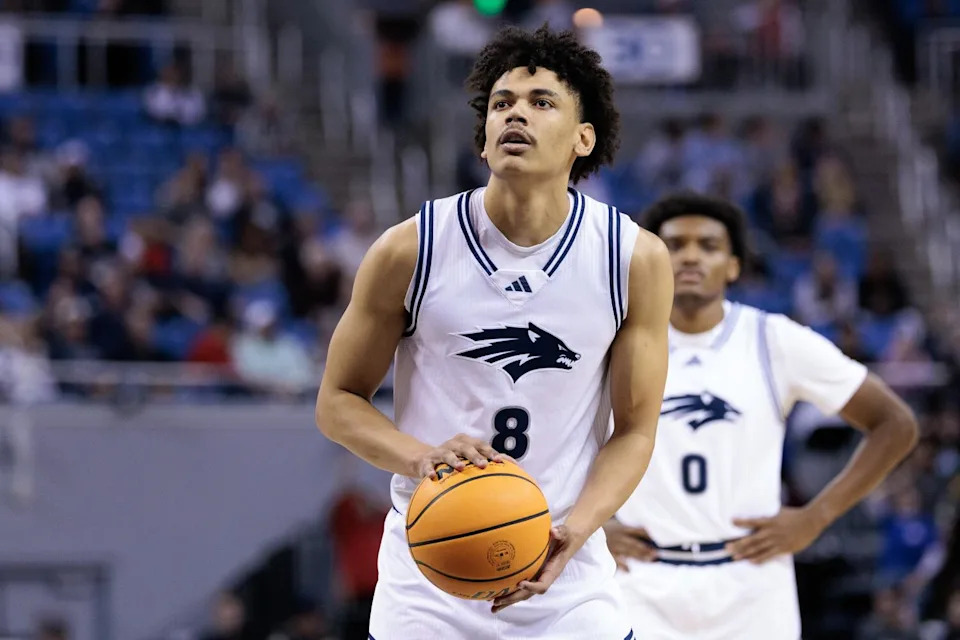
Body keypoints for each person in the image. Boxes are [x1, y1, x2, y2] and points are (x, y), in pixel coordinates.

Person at [316, 25, 673, 640]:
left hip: (563, 572)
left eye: (542, 102)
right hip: (431, 567)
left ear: (582, 139)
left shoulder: (631, 258)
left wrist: (578, 527)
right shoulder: (411, 249)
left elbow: (636, 430)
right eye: (502, 103)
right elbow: (336, 404)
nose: (516, 114)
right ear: (483, 140)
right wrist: (420, 456)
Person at [605, 192, 918, 639]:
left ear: (733, 266)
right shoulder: (612, 342)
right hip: (639, 579)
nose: (691, 256)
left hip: (752, 585)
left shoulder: (773, 339)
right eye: (675, 244)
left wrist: (816, 516)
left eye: (708, 245)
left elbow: (896, 424)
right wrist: (592, 525)